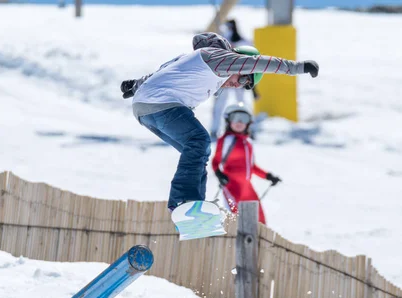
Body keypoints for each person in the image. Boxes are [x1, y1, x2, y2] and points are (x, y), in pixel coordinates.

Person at [120, 32, 319, 213]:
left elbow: (161, 72)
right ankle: (184, 204)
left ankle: (194, 207)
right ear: (240, 64)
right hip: (162, 105)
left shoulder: (193, 62)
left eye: (245, 86)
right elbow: (261, 62)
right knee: (198, 141)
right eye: (243, 80)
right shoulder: (220, 59)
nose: (236, 85)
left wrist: (135, 85)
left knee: (198, 152)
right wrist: (298, 67)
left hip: (144, 109)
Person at [212, 103, 279, 224]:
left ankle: (259, 242)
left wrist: (268, 176)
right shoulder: (226, 140)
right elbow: (216, 161)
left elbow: (252, 167)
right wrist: (219, 175)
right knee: (236, 219)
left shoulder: (248, 142)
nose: (239, 122)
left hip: (247, 187)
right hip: (232, 186)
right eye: (235, 118)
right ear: (228, 120)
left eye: (243, 119)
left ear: (248, 123)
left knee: (259, 218)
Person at [210, 19, 257, 139]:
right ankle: (215, 129)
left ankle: (248, 128)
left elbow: (251, 53)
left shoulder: (243, 40)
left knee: (241, 103)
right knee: (219, 105)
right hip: (223, 78)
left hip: (239, 77)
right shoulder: (223, 38)